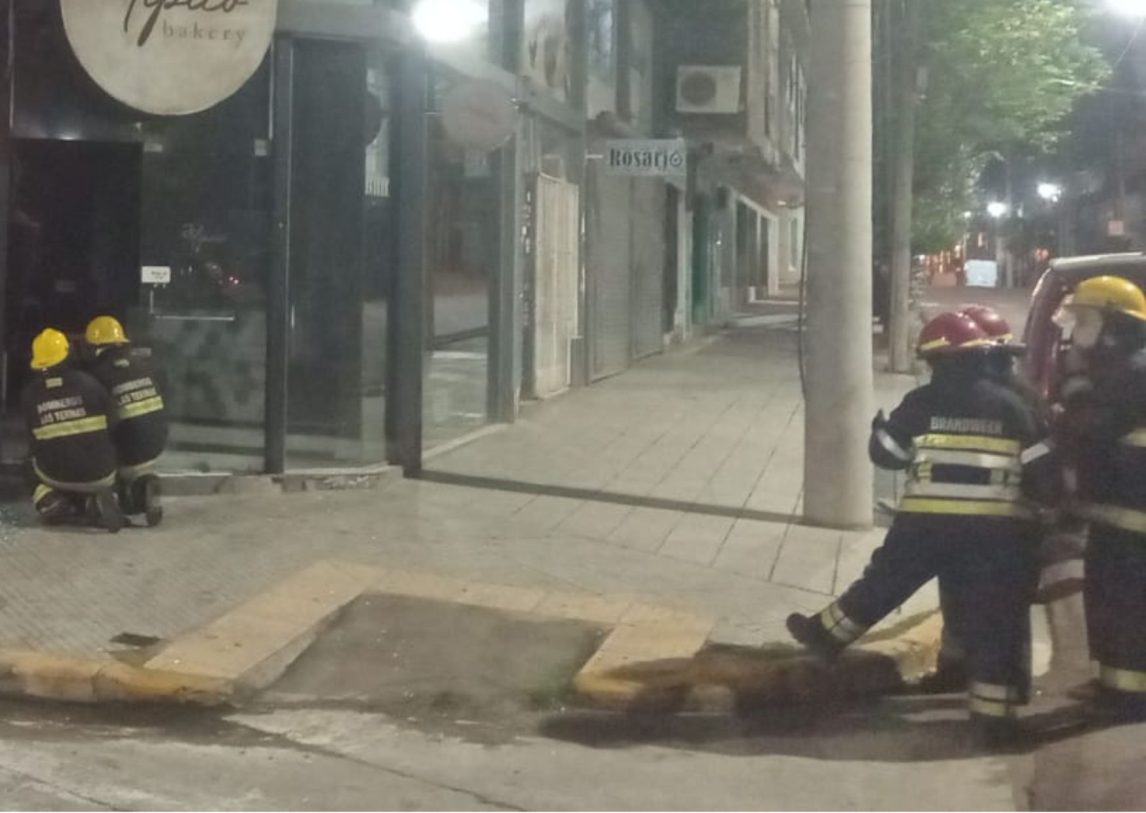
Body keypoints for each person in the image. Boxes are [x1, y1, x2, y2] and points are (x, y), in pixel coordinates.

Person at [786, 312, 1054, 743]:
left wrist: (878, 429)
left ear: (938, 361)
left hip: (926, 525)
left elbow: (888, 454)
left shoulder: (923, 401)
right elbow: (1043, 470)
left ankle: (825, 635)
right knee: (993, 618)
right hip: (994, 532)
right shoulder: (1015, 406)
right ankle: (993, 715)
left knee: (884, 583)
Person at [1054, 275, 1146, 718]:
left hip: (1136, 520)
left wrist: (1072, 388)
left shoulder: (1136, 369)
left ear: (1116, 324)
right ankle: (1115, 688)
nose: (1077, 331)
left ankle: (1130, 699)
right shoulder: (1124, 365)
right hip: (1120, 516)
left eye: (1086, 320)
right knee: (1112, 602)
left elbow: (1092, 428)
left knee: (1129, 608)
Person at [21, 328, 123, 532]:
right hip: (101, 474)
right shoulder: (91, 384)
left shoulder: (29, 395)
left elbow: (33, 440)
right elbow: (114, 422)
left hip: (55, 475)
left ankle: (50, 500)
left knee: (27, 465)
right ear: (67, 354)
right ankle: (94, 502)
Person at [83, 316, 167, 527]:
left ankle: (108, 496)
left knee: (99, 439)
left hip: (127, 445)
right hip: (158, 439)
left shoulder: (96, 375)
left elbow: (95, 415)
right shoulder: (143, 365)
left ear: (94, 346)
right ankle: (145, 482)